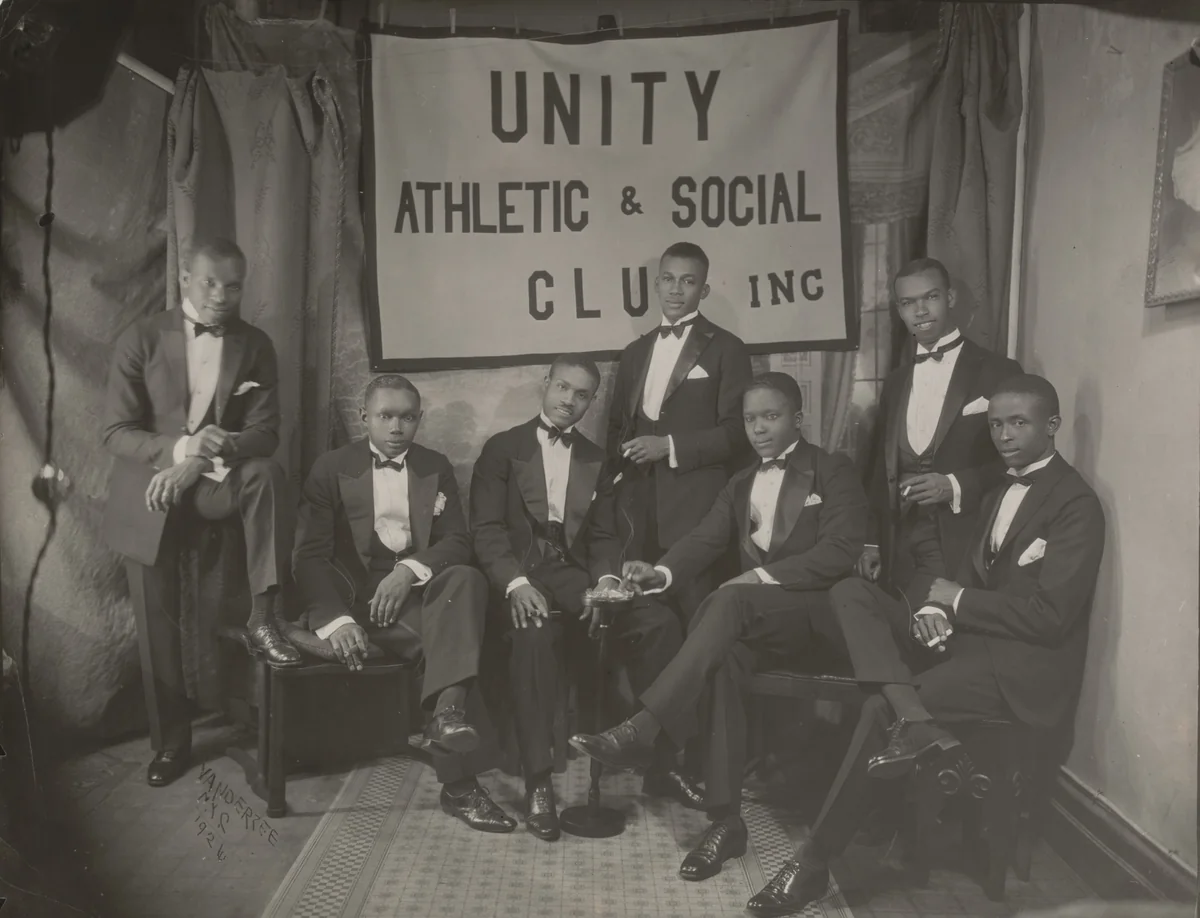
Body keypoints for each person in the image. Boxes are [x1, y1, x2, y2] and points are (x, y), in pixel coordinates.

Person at [748, 375, 1106, 915]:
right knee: (851, 591)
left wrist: (956, 601)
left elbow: (1051, 618)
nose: (1004, 435)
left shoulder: (1077, 503)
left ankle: (813, 862)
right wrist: (937, 610)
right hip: (971, 645)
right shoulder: (998, 487)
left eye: (1018, 423)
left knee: (878, 708)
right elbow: (968, 576)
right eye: (996, 424)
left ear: (1051, 425)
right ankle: (912, 714)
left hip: (1019, 669)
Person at [571, 373, 868, 881]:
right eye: (750, 419)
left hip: (820, 619)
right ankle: (726, 822)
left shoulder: (832, 469)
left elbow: (841, 551)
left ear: (798, 419)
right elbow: (705, 538)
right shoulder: (742, 481)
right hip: (763, 622)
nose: (759, 429)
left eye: (771, 417)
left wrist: (760, 577)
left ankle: (643, 728)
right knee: (725, 658)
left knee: (729, 599)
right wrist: (660, 572)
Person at [102, 237, 300, 789]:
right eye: (210, 282)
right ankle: (170, 744)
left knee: (267, 474)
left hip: (215, 486)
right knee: (156, 624)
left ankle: (265, 615)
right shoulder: (141, 337)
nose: (221, 296)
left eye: (233, 286)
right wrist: (182, 452)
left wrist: (202, 459)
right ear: (184, 279)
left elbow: (265, 433)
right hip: (150, 492)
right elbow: (116, 431)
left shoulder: (255, 344)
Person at [469, 355, 692, 842]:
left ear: (592, 401)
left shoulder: (596, 458)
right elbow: (485, 529)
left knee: (659, 623)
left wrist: (606, 582)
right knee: (532, 636)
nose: (569, 401)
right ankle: (538, 784)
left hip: (572, 575)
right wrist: (515, 584)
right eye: (563, 388)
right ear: (545, 384)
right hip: (519, 575)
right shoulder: (502, 448)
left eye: (582, 394)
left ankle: (661, 759)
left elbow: (604, 537)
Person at [292, 374, 516, 834]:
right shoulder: (331, 467)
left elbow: (457, 540)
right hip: (358, 602)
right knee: (449, 640)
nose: (397, 428)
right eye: (386, 416)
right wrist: (336, 622)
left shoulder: (434, 465)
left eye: (408, 417)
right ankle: (459, 780)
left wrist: (408, 572)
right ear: (364, 417)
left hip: (416, 591)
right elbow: (308, 557)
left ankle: (447, 718)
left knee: (467, 578)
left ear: (419, 419)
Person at [607, 241, 753, 623]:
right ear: (656, 285)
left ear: (703, 290)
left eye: (688, 281)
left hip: (698, 513)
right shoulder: (634, 353)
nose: (676, 290)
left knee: (700, 619)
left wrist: (668, 446)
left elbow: (739, 432)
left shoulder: (728, 348)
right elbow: (617, 429)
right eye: (668, 280)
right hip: (638, 513)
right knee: (646, 622)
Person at [860, 257, 1022, 596]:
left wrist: (956, 485)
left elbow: (1021, 461)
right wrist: (873, 541)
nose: (920, 311)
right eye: (908, 303)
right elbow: (880, 468)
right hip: (898, 540)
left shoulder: (998, 371)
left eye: (930, 297)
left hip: (963, 538)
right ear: (899, 310)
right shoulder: (895, 382)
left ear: (949, 298)